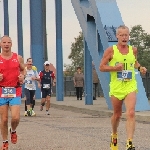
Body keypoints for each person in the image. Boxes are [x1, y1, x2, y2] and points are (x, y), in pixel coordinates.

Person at [99, 25, 147, 150]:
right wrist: (115, 68)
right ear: (117, 36)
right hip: (116, 86)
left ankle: (129, 143)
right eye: (122, 35)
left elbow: (134, 62)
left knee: (130, 112)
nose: (124, 37)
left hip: (130, 85)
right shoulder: (111, 50)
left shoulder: (133, 50)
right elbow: (102, 67)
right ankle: (114, 135)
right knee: (117, 115)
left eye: (126, 35)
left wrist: (140, 68)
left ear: (129, 36)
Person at [0, 35, 25, 150]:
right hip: (2, 90)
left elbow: (23, 69)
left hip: (15, 90)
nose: (6, 44)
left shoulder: (18, 57)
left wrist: (22, 76)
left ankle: (13, 130)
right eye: (4, 42)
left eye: (8, 42)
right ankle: (5, 141)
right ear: (1, 44)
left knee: (15, 118)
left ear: (11, 44)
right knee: (4, 119)